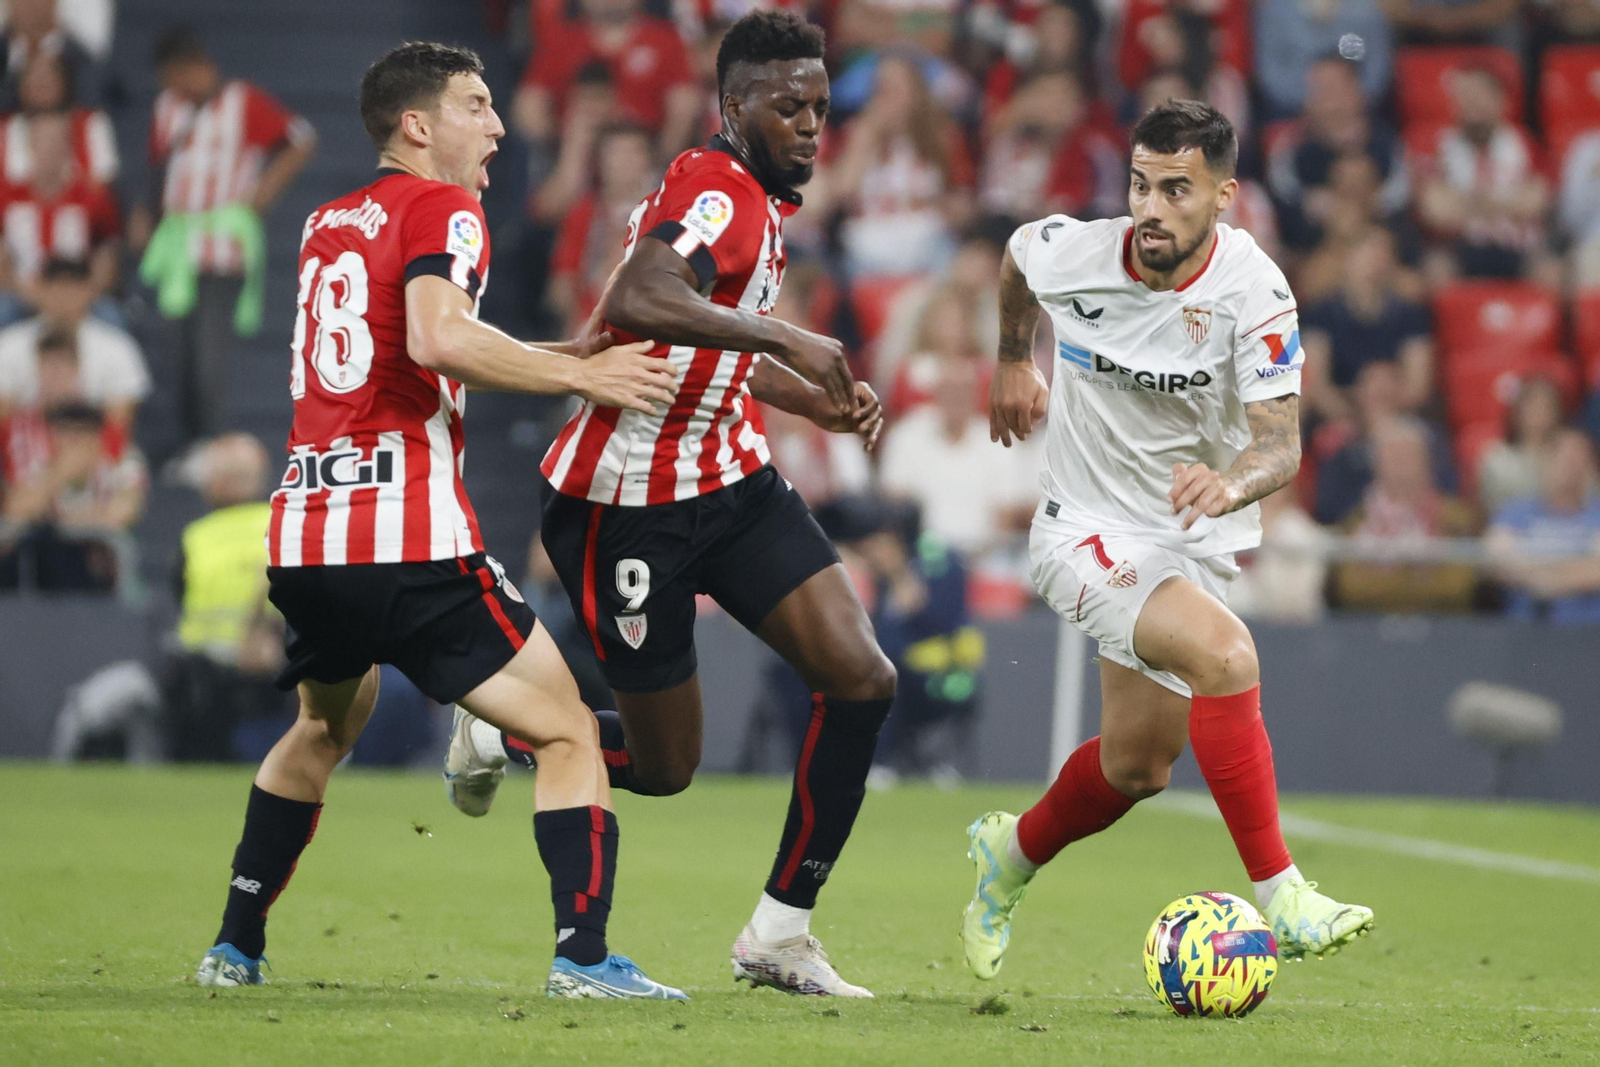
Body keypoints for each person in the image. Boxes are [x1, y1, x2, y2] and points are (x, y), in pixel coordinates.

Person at [193, 41, 685, 1000]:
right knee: (572, 731)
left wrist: (556, 348)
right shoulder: (446, 206)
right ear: (417, 126)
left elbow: (402, 343)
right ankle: (583, 958)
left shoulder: (329, 219)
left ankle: (233, 946)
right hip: (408, 538)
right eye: (475, 104)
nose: (498, 125)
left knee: (321, 729)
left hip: (306, 537)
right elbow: (437, 337)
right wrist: (583, 372)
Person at [450, 11, 895, 998]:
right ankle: (503, 728)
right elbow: (643, 298)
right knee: (664, 766)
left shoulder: (762, 199)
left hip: (729, 479)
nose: (812, 125)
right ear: (731, 106)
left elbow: (703, 346)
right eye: (789, 106)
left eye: (820, 105)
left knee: (861, 676)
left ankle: (779, 932)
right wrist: (787, 340)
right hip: (626, 501)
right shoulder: (712, 187)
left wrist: (805, 392)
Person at [960, 100, 1374, 982]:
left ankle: (1011, 854)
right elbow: (1017, 257)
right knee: (1227, 654)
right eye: (1141, 185)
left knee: (1138, 765)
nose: (1150, 207)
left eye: (1176, 190)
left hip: (1186, 535)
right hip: (1081, 529)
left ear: (1223, 196)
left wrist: (1231, 482)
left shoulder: (1253, 292)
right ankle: (1284, 894)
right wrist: (1010, 356)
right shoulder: (1078, 252)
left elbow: (1280, 442)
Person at [139, 26, 318, 445]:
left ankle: (209, 444)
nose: (173, 87)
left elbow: (302, 139)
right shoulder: (168, 107)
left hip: (222, 250)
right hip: (177, 248)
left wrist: (263, 193)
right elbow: (159, 165)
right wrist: (147, 214)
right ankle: (187, 445)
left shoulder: (243, 101)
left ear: (195, 67)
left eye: (176, 77)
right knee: (178, 355)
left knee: (208, 358)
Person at [163, 434, 286, 762]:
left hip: (204, 686)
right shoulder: (285, 525)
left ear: (221, 482)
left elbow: (178, 595)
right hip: (280, 678)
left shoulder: (195, 537)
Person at [0, 258, 149, 430]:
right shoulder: (10, 343)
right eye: (57, 287)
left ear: (89, 291)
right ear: (40, 289)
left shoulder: (117, 346)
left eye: (72, 288)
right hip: (25, 447)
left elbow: (120, 423)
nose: (64, 296)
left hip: (95, 449)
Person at [1486, 428, 1600, 623]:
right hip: (1523, 627)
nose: (1570, 468)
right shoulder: (1516, 513)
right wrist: (1570, 573)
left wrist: (1545, 581)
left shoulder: (1596, 516)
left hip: (1586, 630)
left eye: (1578, 460)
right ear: (1547, 461)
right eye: (1564, 458)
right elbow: (1496, 559)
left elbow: (1596, 571)